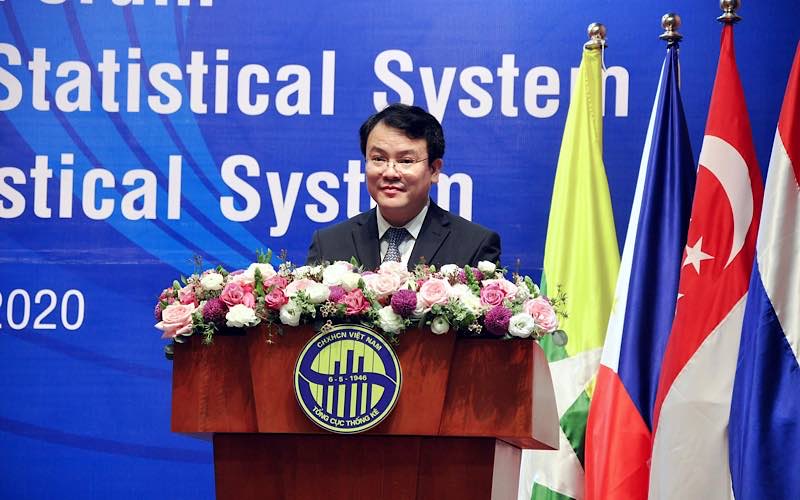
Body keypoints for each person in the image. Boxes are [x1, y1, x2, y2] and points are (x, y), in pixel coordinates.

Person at [306, 103, 501, 270]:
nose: (390, 173)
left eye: (406, 161)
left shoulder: (474, 246)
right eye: (378, 158)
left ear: (434, 170)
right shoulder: (328, 245)